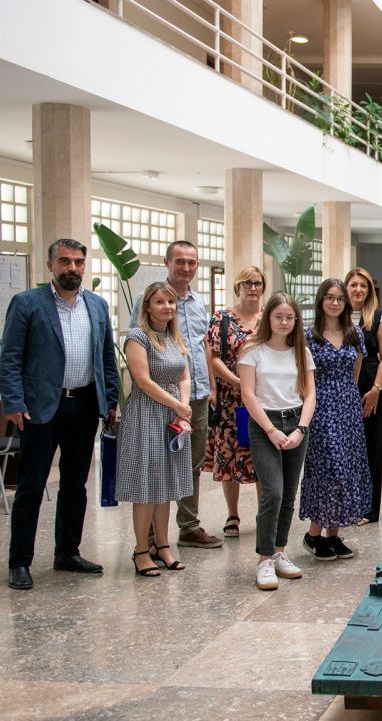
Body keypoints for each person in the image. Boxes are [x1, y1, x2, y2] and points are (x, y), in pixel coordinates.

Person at [1, 238, 118, 591]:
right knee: (32, 486)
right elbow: (10, 357)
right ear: (50, 265)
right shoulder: (27, 303)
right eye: (65, 261)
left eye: (79, 262)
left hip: (84, 405)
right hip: (41, 408)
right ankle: (19, 562)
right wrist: (14, 401)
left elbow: (106, 358)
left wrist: (111, 401)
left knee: (75, 485)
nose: (73, 268)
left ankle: (67, 552)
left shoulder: (96, 305)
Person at [131, 240, 221, 550]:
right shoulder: (150, 298)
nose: (186, 267)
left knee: (192, 464)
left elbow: (203, 346)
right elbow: (139, 344)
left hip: (195, 394)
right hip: (160, 397)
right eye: (180, 261)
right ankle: (150, 537)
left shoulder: (198, 302)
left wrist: (210, 387)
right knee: (157, 466)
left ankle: (189, 526)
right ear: (167, 262)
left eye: (191, 262)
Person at [239, 292, 316, 591]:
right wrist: (271, 430)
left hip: (296, 422)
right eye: (278, 317)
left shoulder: (301, 352)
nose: (284, 322)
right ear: (268, 318)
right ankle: (264, 559)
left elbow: (310, 395)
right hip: (264, 425)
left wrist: (301, 429)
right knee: (272, 492)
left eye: (289, 318)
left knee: (288, 496)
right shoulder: (253, 350)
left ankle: (280, 552)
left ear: (296, 320)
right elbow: (248, 395)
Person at [119, 282, 194, 576]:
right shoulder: (137, 337)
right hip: (146, 413)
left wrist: (183, 407)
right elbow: (143, 381)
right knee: (147, 485)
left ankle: (163, 546)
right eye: (160, 302)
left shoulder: (174, 337)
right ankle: (141, 550)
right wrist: (177, 405)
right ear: (147, 307)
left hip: (173, 415)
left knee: (166, 484)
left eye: (171, 302)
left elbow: (184, 376)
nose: (167, 307)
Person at [299, 280, 370, 561]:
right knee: (328, 470)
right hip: (320, 408)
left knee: (347, 469)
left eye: (340, 298)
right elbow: (303, 376)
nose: (335, 303)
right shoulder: (309, 336)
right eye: (329, 297)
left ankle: (333, 535)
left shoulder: (355, 333)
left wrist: (347, 397)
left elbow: (356, 371)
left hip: (348, 408)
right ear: (320, 301)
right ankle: (313, 534)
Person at [206, 266, 264, 538]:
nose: (252, 288)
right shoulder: (222, 318)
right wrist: (238, 382)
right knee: (230, 456)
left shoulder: (269, 317)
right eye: (247, 283)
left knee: (263, 456)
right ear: (237, 287)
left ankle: (265, 513)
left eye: (257, 283)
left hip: (264, 396)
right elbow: (213, 357)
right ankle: (232, 513)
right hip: (232, 397)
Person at [345, 267, 382, 525]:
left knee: (371, 450)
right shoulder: (337, 315)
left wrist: (376, 389)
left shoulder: (378, 316)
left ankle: (369, 510)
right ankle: (347, 505)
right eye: (354, 285)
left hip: (370, 386)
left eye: (363, 285)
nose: (358, 289)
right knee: (346, 450)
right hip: (342, 388)